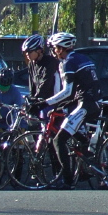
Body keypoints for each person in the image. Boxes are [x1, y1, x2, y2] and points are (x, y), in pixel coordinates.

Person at [28, 33, 101, 190]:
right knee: (72, 133)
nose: (53, 52)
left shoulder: (68, 62)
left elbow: (67, 91)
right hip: (90, 101)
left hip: (85, 104)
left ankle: (67, 181)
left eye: (54, 48)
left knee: (58, 140)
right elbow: (77, 89)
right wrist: (60, 105)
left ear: (61, 48)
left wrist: (44, 103)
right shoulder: (81, 58)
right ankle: (85, 158)